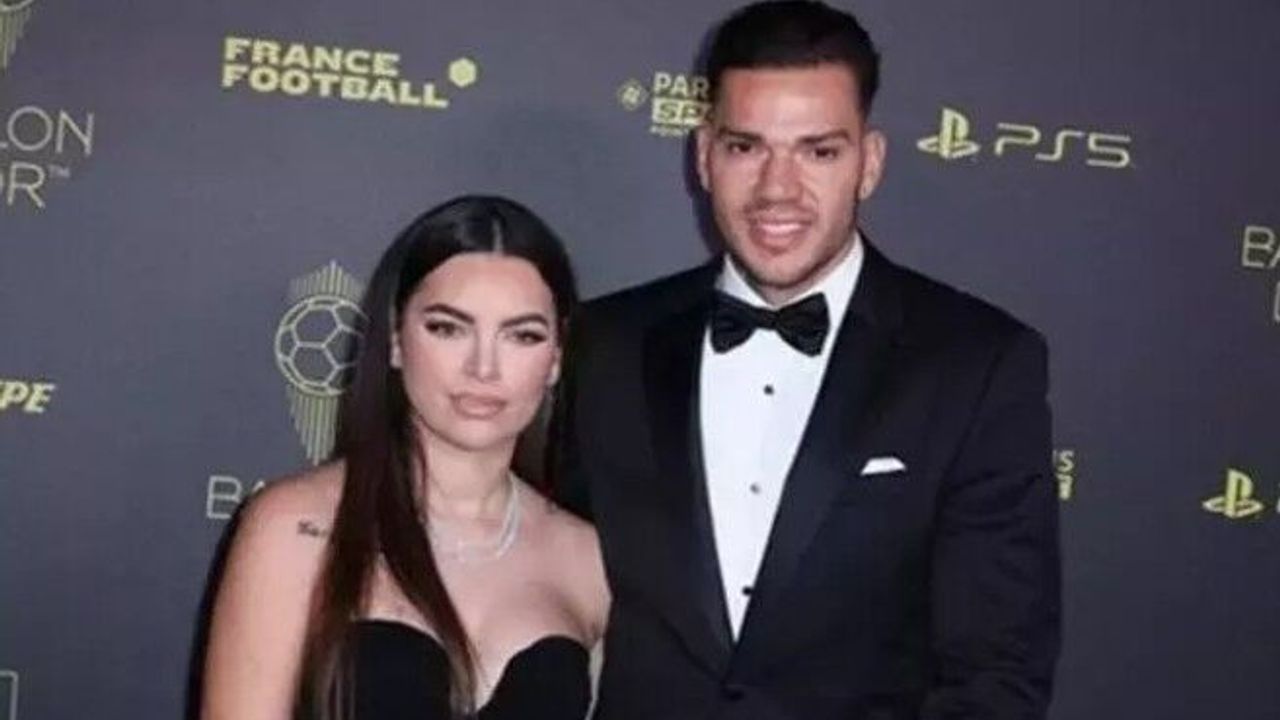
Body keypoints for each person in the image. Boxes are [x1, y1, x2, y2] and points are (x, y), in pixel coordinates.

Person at [554, 2, 1061, 718]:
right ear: (703, 156)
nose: (777, 190)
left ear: (869, 163)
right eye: (746, 147)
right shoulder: (607, 343)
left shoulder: (976, 364)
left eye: (818, 152)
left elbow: (996, 675)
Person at [201, 196, 609, 720]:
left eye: (522, 335)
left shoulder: (588, 560)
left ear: (555, 359)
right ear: (395, 339)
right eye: (448, 328)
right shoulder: (296, 527)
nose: (483, 367)